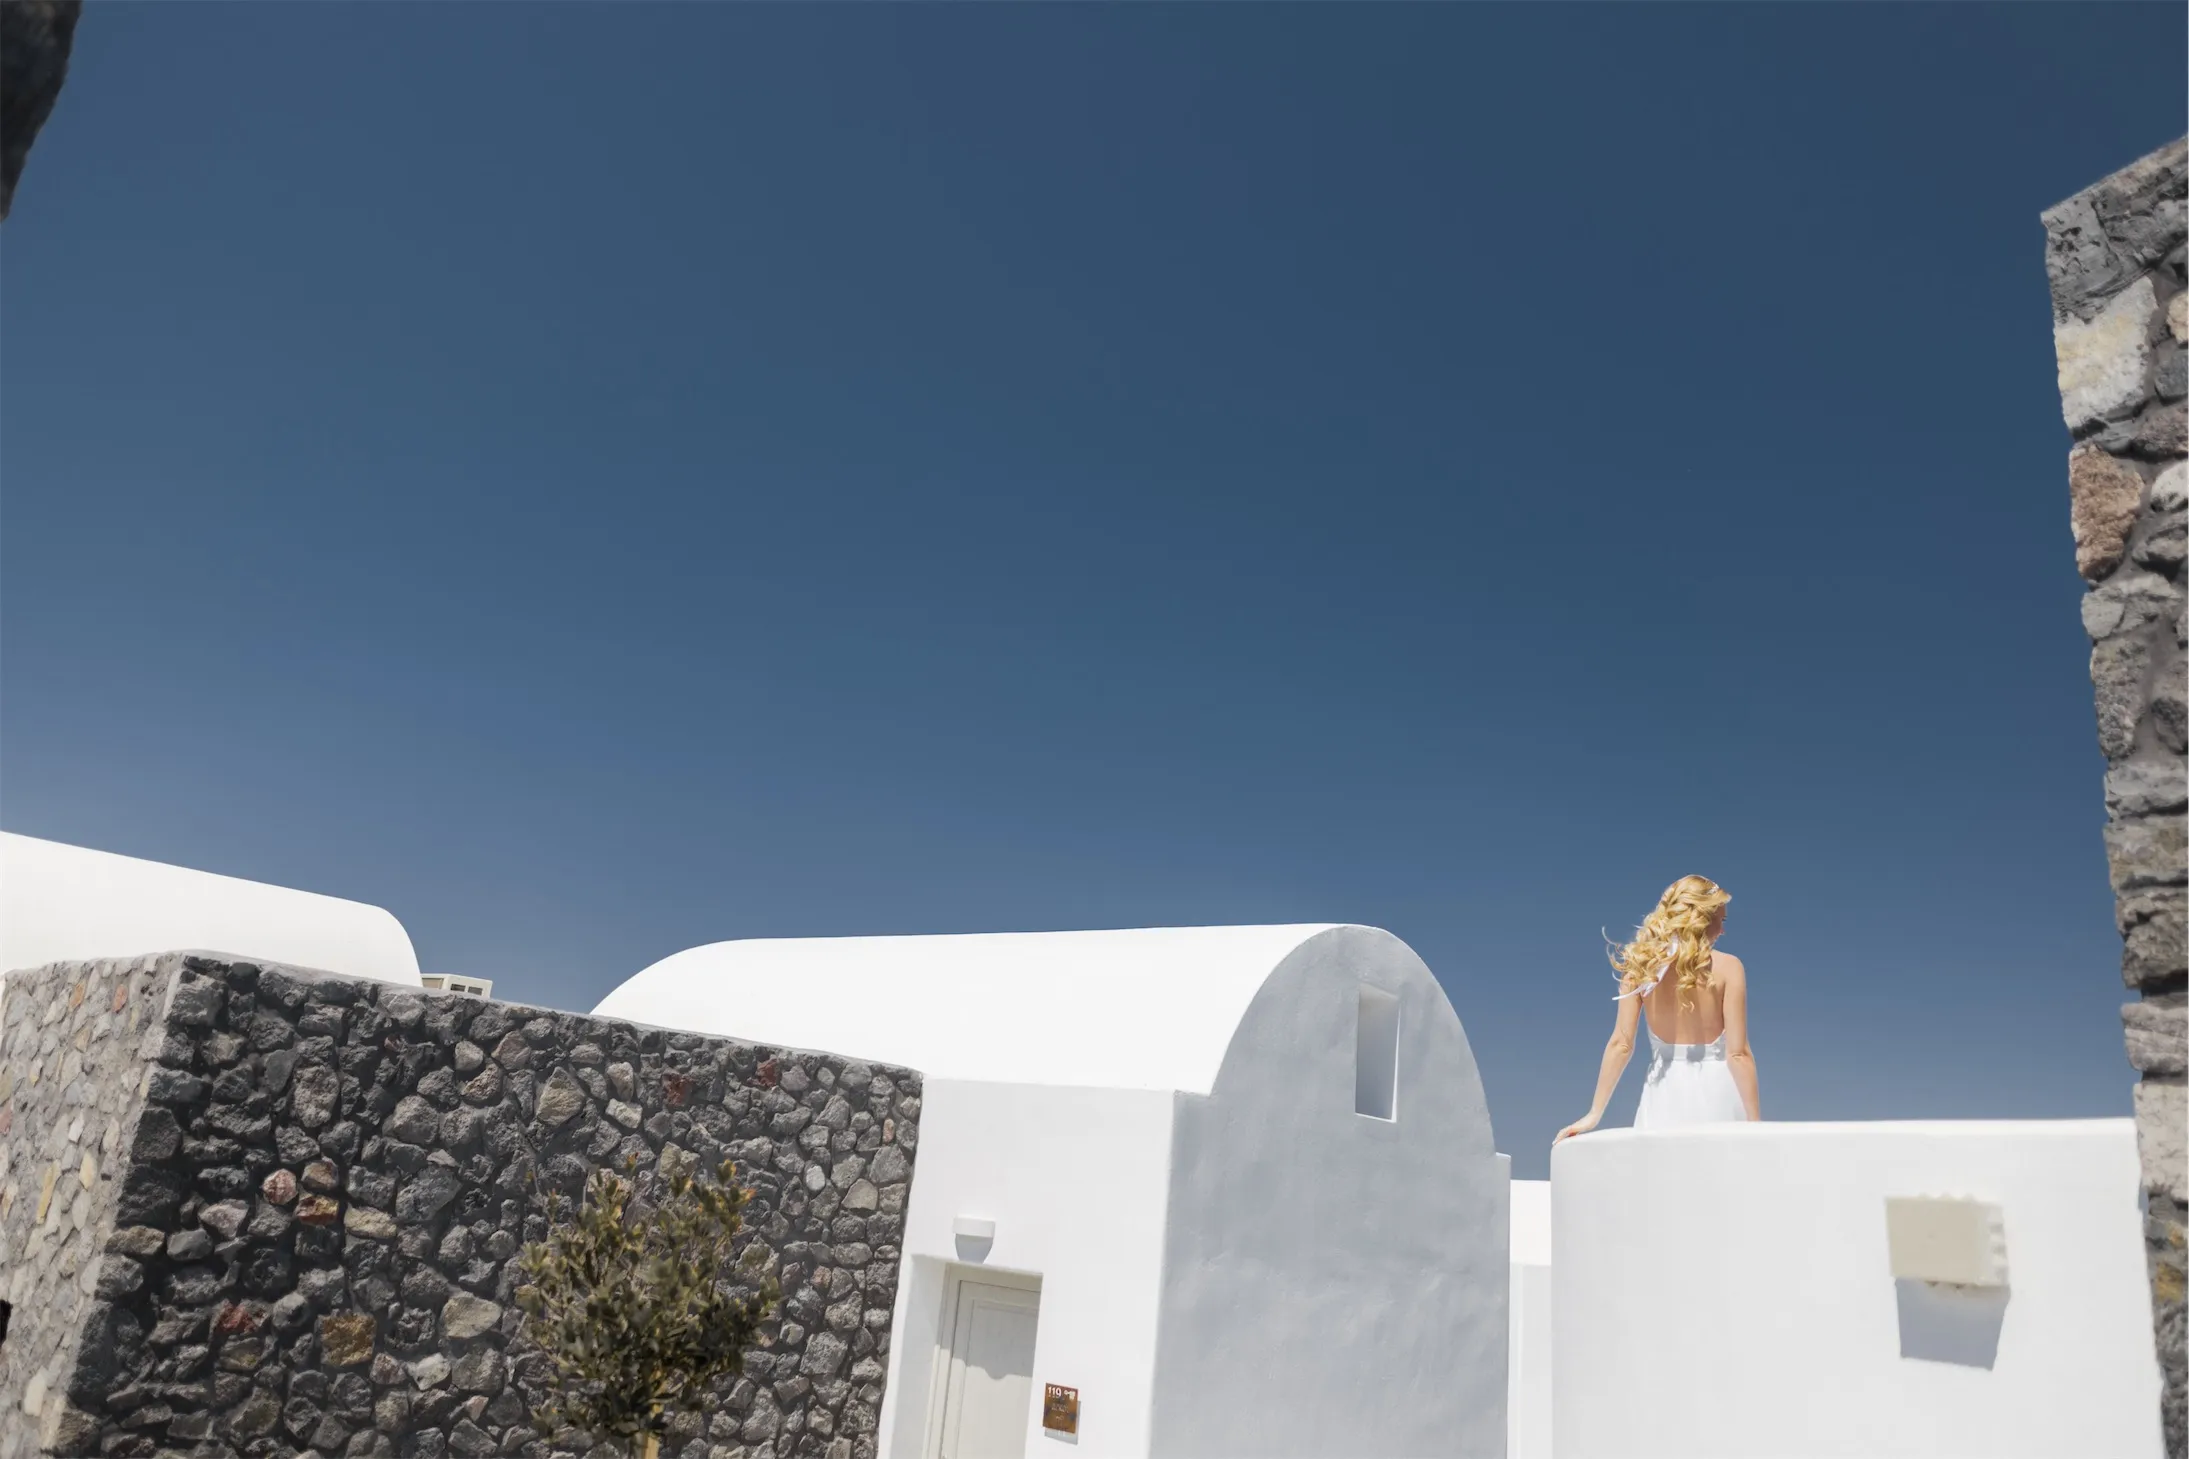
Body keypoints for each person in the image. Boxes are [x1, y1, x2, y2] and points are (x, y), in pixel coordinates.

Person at [1554, 874, 1759, 1144]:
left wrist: (1594, 1114)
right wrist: (1756, 1124)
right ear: (1701, 919)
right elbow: (1738, 1054)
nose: (1722, 930)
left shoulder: (1641, 967)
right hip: (1717, 1091)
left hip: (1663, 1093)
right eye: (1721, 920)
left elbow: (1621, 1044)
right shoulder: (1730, 967)